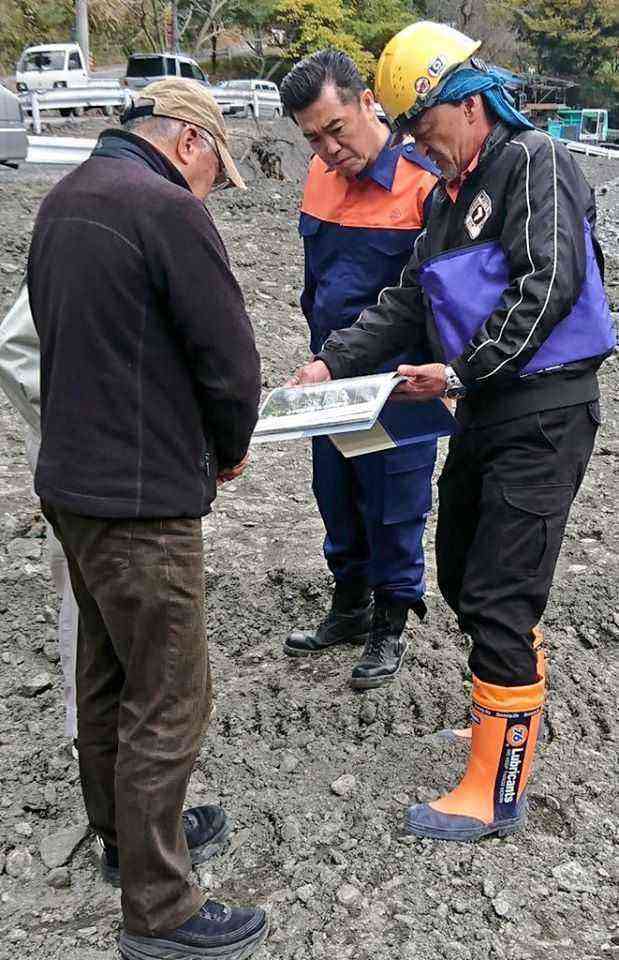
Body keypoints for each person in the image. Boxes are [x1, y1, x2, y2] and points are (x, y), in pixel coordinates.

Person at [288, 21, 614, 841]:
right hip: (483, 412)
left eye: (424, 126)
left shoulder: (534, 160)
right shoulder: (444, 196)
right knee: (462, 570)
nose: (419, 147)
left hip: (542, 414)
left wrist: (463, 372)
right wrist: (332, 362)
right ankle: (495, 722)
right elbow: (404, 299)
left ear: (464, 102)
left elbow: (548, 283)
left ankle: (495, 791)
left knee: (501, 596)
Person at [27, 79, 269, 959]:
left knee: (104, 677)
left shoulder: (66, 198)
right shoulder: (163, 206)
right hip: (141, 503)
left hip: (73, 486)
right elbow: (229, 357)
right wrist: (229, 444)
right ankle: (160, 913)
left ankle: (127, 845)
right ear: (191, 144)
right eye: (214, 175)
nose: (208, 191)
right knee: (169, 697)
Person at [279, 50, 439, 689]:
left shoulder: (422, 184)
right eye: (312, 136)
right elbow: (317, 281)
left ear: (367, 100)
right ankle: (349, 607)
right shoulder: (318, 177)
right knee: (336, 496)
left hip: (396, 389)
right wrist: (321, 357)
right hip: (331, 380)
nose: (326, 148)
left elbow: (427, 301)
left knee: (394, 506)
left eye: (335, 128)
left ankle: (390, 623)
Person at [0, 285, 79, 753]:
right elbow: (14, 348)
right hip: (87, 456)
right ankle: (90, 736)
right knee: (86, 596)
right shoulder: (91, 224)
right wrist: (76, 431)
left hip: (116, 455)